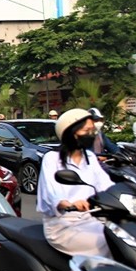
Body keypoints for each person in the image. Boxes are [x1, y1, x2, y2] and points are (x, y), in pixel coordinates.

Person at [37, 108, 113, 257]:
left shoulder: (90, 157)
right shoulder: (52, 159)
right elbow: (51, 191)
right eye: (87, 130)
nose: (92, 134)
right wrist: (68, 204)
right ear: (71, 133)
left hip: (93, 218)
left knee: (123, 237)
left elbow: (106, 184)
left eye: (93, 130)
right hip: (64, 224)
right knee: (106, 241)